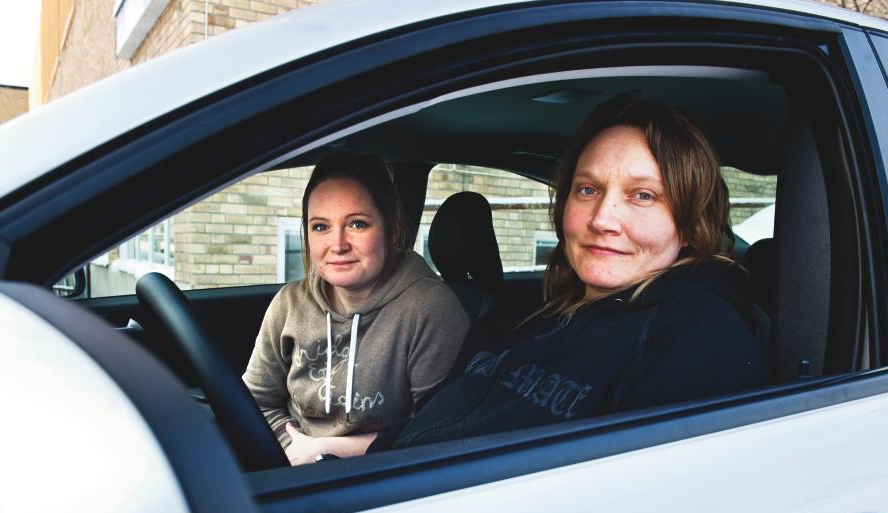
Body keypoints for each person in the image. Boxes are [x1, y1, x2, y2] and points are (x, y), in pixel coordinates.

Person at [286, 95, 767, 461]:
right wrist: (319, 452)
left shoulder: (699, 336)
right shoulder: (523, 317)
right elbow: (418, 435)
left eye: (643, 195)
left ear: (687, 221)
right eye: (587, 189)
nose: (602, 218)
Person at [243, 152, 470, 465]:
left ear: (391, 229)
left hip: (380, 475)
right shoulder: (289, 303)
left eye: (357, 224)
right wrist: (294, 450)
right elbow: (254, 402)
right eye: (320, 227)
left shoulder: (430, 310)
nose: (337, 245)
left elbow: (437, 430)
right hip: (291, 466)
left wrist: (327, 451)